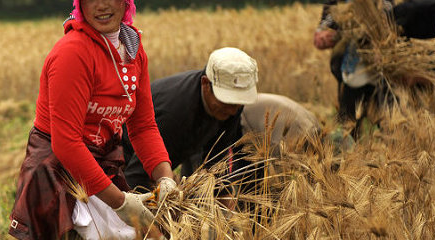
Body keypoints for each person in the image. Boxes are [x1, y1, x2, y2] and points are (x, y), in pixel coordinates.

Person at [8, 0, 175, 240]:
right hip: (60, 177)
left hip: (99, 169)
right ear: (77, 1)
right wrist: (121, 203)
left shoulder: (132, 50)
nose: (101, 5)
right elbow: (66, 143)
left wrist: (165, 177)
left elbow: (144, 124)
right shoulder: (73, 53)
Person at [122, 48, 320, 201]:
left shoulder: (230, 108)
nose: (233, 110)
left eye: (238, 102)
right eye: (227, 101)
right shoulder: (176, 112)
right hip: (122, 158)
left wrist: (221, 193)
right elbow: (136, 175)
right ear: (206, 84)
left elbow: (218, 154)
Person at [312, 0, 395, 123]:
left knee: (386, 127)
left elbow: (394, 28)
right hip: (349, 76)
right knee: (348, 127)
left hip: (380, 76)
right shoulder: (337, 2)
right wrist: (325, 37)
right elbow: (320, 34)